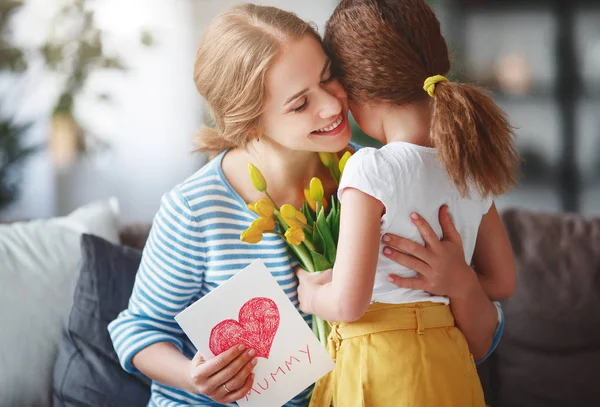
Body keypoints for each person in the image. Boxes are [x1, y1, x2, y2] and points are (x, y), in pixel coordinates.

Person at [108, 3, 505, 407]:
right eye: (300, 104)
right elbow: (138, 330)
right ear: (250, 123)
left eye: (329, 78)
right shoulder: (196, 209)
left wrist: (462, 284)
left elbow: (461, 339)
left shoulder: (377, 179)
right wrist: (195, 378)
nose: (332, 106)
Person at [295, 1, 519, 406]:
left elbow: (348, 302)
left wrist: (310, 297)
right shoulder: (469, 166)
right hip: (451, 365)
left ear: (355, 90)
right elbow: (503, 282)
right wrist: (452, 281)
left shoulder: (371, 168)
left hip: (384, 370)